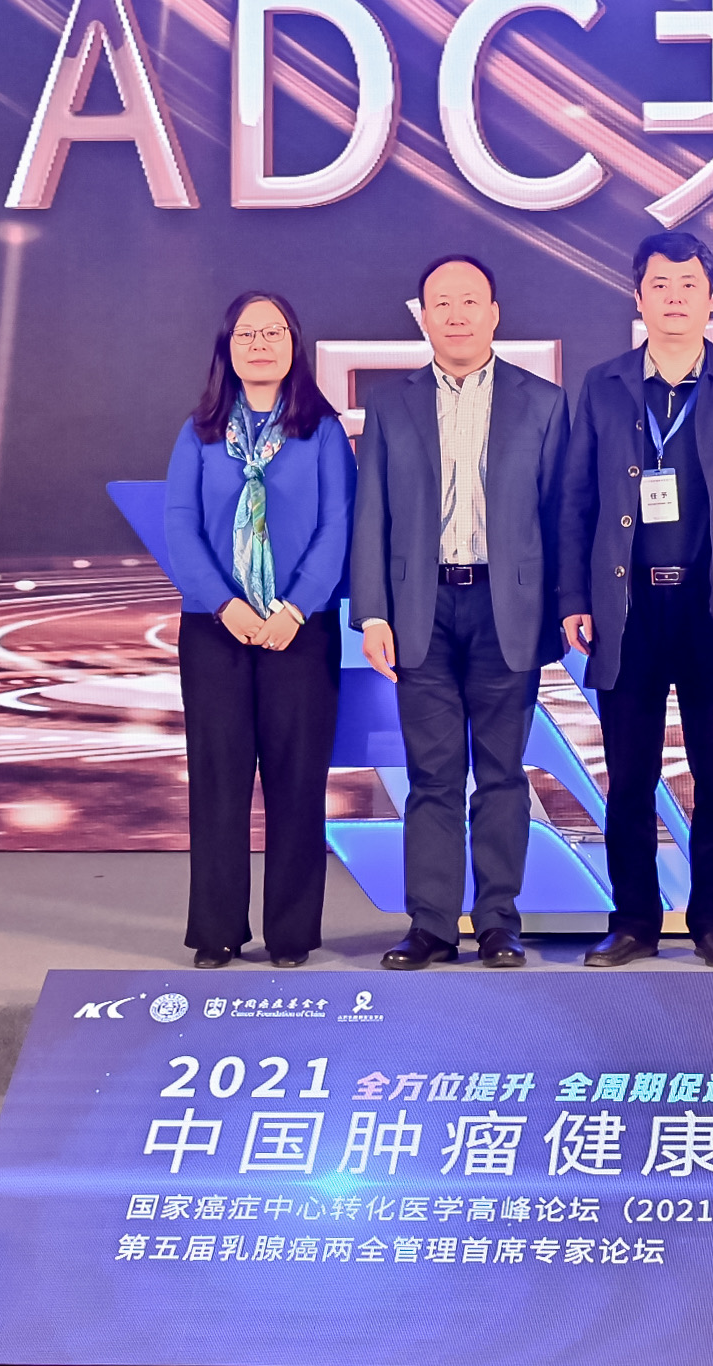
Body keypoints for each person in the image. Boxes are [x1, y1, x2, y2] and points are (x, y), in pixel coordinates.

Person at [559, 231, 713, 968]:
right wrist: (574, 596)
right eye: (659, 285)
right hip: (628, 610)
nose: (674, 298)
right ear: (638, 296)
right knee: (629, 778)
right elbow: (575, 501)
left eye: (688, 286)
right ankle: (633, 922)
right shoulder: (605, 384)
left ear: (712, 299)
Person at [350, 255, 568, 970]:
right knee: (433, 776)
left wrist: (563, 609)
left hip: (509, 609)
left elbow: (561, 516)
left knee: (502, 775)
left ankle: (499, 921)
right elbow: (370, 511)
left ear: (494, 312)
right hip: (421, 608)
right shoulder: (391, 403)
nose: (456, 315)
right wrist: (372, 612)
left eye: (469, 300)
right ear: (424, 317)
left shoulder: (542, 402)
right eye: (440, 303)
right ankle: (432, 925)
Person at [163, 291, 355, 969]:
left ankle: (291, 933)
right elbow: (180, 524)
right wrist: (225, 604)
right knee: (218, 782)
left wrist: (295, 608)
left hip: (300, 631)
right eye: (247, 334)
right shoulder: (200, 431)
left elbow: (338, 525)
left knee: (297, 783)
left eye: (273, 333)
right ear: (228, 348)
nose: (260, 345)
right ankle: (216, 930)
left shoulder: (321, 431)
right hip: (214, 630)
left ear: (293, 344)